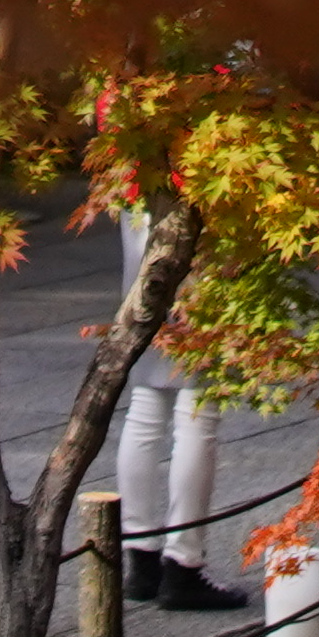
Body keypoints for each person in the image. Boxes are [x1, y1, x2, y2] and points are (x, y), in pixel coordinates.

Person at [106, 196, 247, 611]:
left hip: (139, 196)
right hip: (204, 194)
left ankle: (142, 556)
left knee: (147, 402)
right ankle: (183, 562)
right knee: (198, 410)